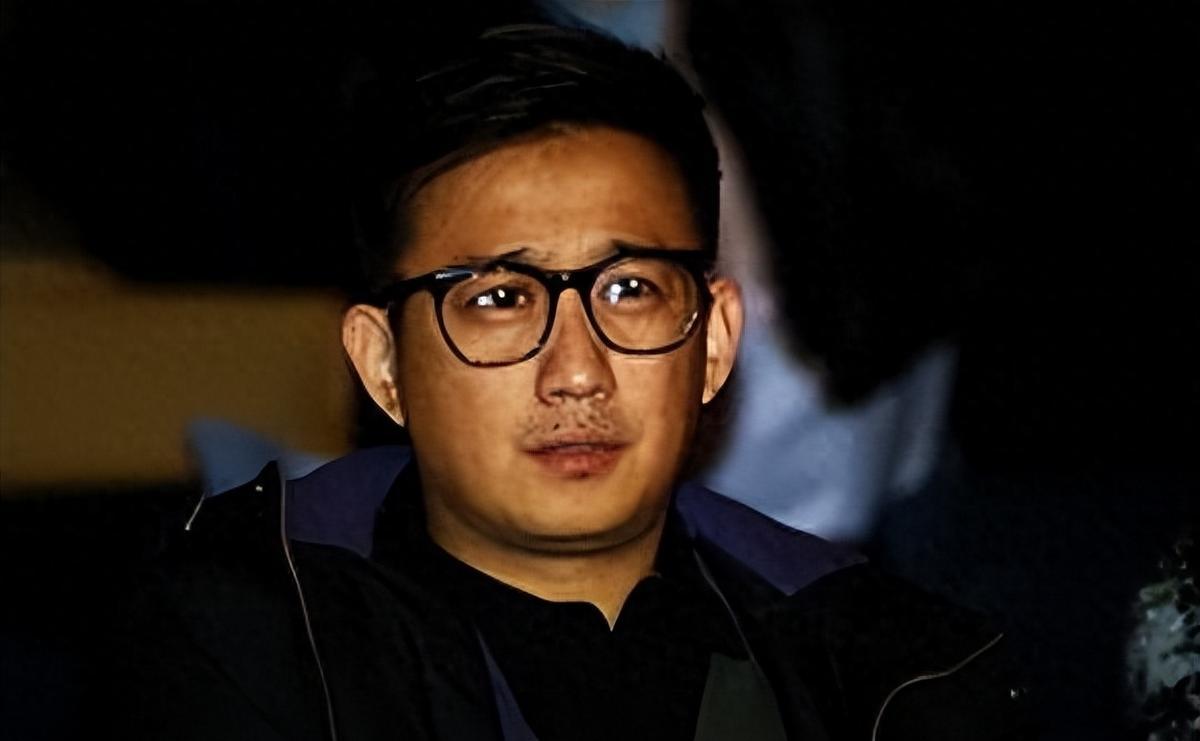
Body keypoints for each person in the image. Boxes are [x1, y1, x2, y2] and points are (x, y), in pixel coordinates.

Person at [112, 23, 1031, 740]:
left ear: (714, 341)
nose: (578, 371)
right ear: (383, 363)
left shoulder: (893, 670)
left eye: (628, 290)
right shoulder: (260, 637)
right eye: (500, 299)